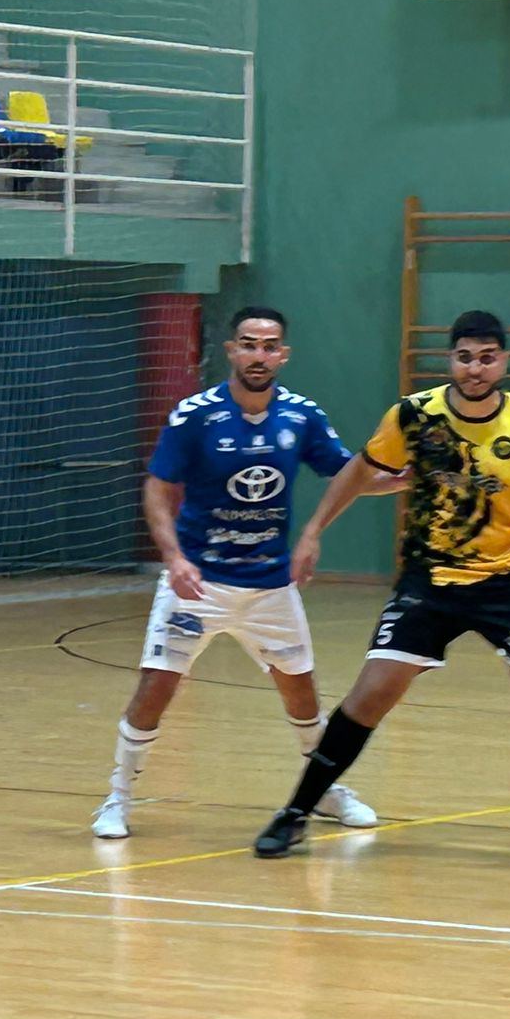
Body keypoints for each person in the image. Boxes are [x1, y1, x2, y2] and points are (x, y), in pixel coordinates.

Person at [251, 309, 510, 866]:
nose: (475, 369)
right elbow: (358, 470)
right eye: (465, 357)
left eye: (487, 358)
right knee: (370, 695)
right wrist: (312, 532)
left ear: (504, 362)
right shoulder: (413, 416)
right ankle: (295, 814)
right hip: (429, 581)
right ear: (450, 359)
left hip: (506, 584)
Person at [92, 308, 377, 839]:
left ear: (283, 355)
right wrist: (174, 558)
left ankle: (326, 792)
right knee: (157, 686)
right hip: (198, 583)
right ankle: (118, 797)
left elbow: (349, 475)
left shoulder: (301, 415)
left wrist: (404, 476)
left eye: (269, 346)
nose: (258, 355)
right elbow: (157, 488)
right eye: (249, 344)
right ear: (232, 350)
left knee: (303, 697)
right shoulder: (195, 415)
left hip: (270, 587)